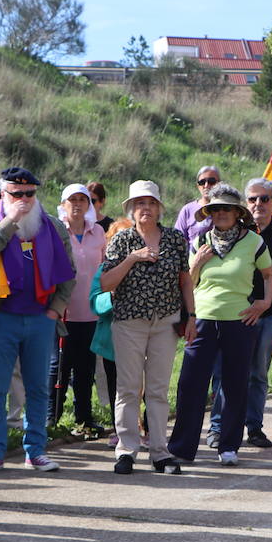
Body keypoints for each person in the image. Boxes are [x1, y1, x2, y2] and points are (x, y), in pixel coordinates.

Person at [0, 167, 75, 475]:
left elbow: (69, 272)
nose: (24, 200)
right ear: (2, 194)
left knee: (37, 388)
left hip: (40, 319)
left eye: (30, 194)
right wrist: (10, 221)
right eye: (16, 194)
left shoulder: (52, 226)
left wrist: (54, 310)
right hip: (0, 318)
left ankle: (36, 451)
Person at [170, 183, 272, 467]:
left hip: (239, 321)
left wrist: (263, 304)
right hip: (202, 318)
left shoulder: (253, 241)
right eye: (215, 209)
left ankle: (228, 446)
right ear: (209, 213)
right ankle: (182, 447)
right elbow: (188, 282)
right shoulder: (199, 240)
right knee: (191, 384)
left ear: (238, 212)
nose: (221, 213)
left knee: (235, 384)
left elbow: (268, 274)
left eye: (226, 208)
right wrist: (198, 263)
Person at [100, 181, 196, 474]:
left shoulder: (174, 239)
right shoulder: (122, 240)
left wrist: (191, 316)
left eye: (151, 203)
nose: (146, 208)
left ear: (159, 208)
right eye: (140, 203)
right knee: (128, 389)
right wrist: (132, 258)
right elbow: (106, 284)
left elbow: (185, 280)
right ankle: (127, 450)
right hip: (129, 322)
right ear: (131, 208)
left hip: (165, 322)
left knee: (157, 390)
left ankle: (159, 452)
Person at [206, 177, 272, 449]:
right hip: (233, 316)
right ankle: (217, 428)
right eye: (252, 199)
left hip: (269, 317)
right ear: (245, 205)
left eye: (264, 199)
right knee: (224, 372)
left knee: (258, 374)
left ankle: (254, 428)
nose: (258, 203)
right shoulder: (233, 233)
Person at [51, 183, 109, 436]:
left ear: (89, 205)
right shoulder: (54, 230)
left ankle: (84, 418)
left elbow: (105, 266)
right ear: (63, 204)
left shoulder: (97, 232)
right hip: (62, 311)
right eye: (71, 200)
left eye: (82, 200)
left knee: (85, 370)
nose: (76, 204)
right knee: (59, 367)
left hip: (90, 311)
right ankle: (51, 418)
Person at [90, 216, 131, 445]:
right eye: (118, 239)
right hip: (111, 342)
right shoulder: (104, 269)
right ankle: (119, 430)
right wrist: (112, 297)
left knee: (142, 388)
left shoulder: (146, 266)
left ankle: (143, 427)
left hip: (142, 337)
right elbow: (94, 303)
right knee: (116, 387)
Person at [172, 164, 222, 248]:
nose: (206, 185)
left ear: (219, 184)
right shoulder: (188, 210)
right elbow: (178, 239)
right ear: (198, 186)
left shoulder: (227, 208)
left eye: (211, 181)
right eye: (202, 182)